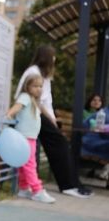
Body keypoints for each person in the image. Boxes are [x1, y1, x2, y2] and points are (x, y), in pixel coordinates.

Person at [15, 45, 93, 198]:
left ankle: (72, 184)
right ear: (47, 58)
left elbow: (47, 101)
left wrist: (52, 120)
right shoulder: (33, 72)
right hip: (30, 113)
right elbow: (33, 100)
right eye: (53, 56)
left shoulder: (44, 75)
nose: (55, 59)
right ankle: (68, 185)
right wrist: (50, 120)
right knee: (59, 143)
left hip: (38, 112)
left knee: (60, 143)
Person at [7, 74, 56, 203]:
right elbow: (16, 107)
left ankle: (23, 188)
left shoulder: (35, 101)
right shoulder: (25, 97)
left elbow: (44, 110)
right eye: (35, 86)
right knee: (30, 165)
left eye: (40, 86)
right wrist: (9, 114)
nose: (38, 89)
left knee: (24, 164)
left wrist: (52, 119)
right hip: (24, 138)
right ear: (27, 87)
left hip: (31, 138)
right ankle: (37, 190)